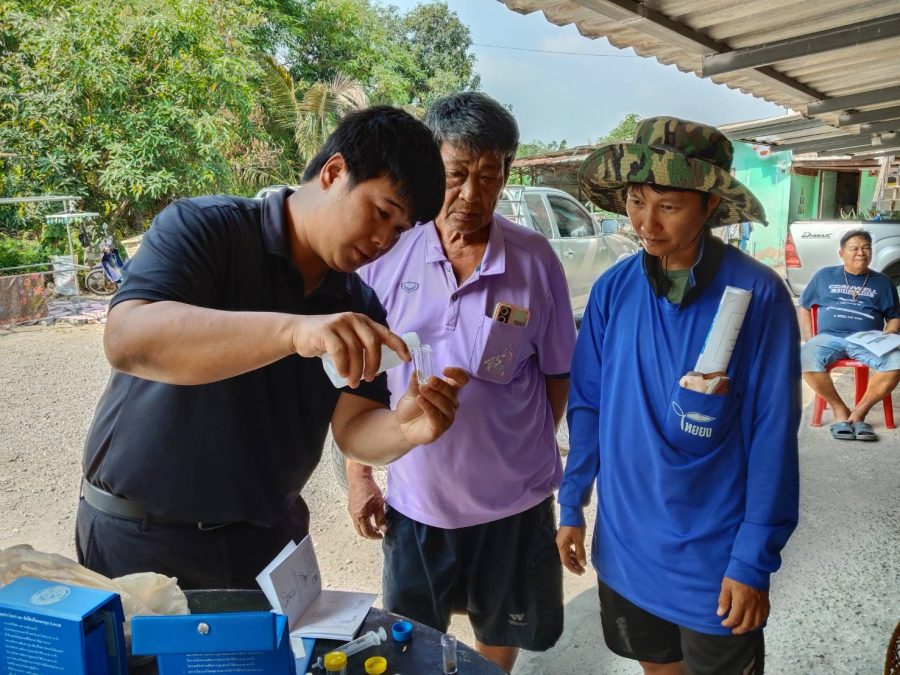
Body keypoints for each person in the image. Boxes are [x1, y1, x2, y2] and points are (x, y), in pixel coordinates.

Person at [76, 106, 470, 590]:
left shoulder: (358, 303)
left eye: (399, 230)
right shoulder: (206, 229)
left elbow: (353, 430)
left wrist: (406, 429)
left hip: (268, 545)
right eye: (382, 212)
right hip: (140, 537)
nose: (383, 240)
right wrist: (294, 333)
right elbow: (127, 338)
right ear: (334, 172)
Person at [556, 117, 801, 675]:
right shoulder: (613, 291)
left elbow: (771, 437)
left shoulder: (758, 298)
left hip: (712, 562)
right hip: (626, 548)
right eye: (637, 201)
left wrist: (751, 561)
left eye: (669, 206)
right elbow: (588, 404)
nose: (647, 223)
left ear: (710, 207)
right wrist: (573, 503)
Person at [344, 92, 576, 673]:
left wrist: (521, 446)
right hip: (417, 499)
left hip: (513, 503)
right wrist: (359, 474)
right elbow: (359, 384)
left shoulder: (533, 259)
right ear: (430, 169)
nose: (471, 195)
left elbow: (556, 373)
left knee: (498, 640)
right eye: (455, 175)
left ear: (504, 178)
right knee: (410, 641)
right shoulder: (386, 252)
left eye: (489, 178)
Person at [798, 229, 900, 442]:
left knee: (896, 362)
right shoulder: (825, 276)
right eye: (854, 248)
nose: (861, 253)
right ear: (841, 253)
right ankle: (840, 411)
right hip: (830, 338)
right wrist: (809, 337)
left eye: (866, 248)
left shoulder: (882, 282)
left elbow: (894, 316)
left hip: (867, 340)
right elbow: (805, 306)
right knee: (805, 356)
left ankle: (859, 414)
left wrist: (889, 333)